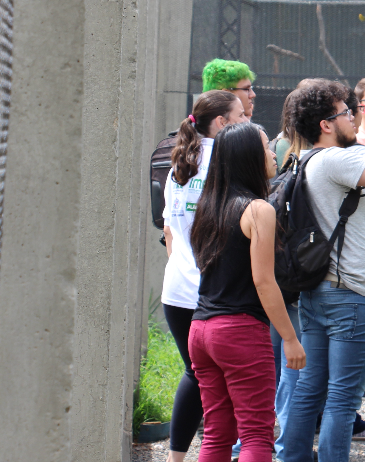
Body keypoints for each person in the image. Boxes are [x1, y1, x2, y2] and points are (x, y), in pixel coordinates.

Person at [279, 79, 365, 462]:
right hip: (352, 296)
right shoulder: (338, 160)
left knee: (310, 389)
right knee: (343, 399)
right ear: (326, 124)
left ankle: (291, 457)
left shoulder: (306, 159)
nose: (353, 116)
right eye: (346, 111)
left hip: (318, 292)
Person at [187, 122, 306, 462]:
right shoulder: (258, 210)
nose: (273, 152)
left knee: (217, 433)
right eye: (266, 146)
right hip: (239, 331)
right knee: (256, 433)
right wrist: (289, 337)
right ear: (248, 157)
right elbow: (263, 280)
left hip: (201, 330)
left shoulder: (208, 207)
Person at [159, 90, 246, 462]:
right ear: (222, 123)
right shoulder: (227, 162)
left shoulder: (179, 163)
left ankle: (177, 458)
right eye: (241, 115)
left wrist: (186, 266)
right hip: (215, 294)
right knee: (223, 383)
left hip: (176, 289)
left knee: (196, 376)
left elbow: (168, 232)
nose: (247, 121)